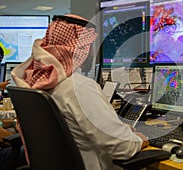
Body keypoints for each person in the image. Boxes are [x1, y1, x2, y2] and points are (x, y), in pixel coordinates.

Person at [11, 14, 149, 170]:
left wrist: (122, 130)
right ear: (82, 48)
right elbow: (121, 147)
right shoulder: (78, 87)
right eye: (90, 46)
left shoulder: (37, 83)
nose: (92, 53)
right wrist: (138, 140)